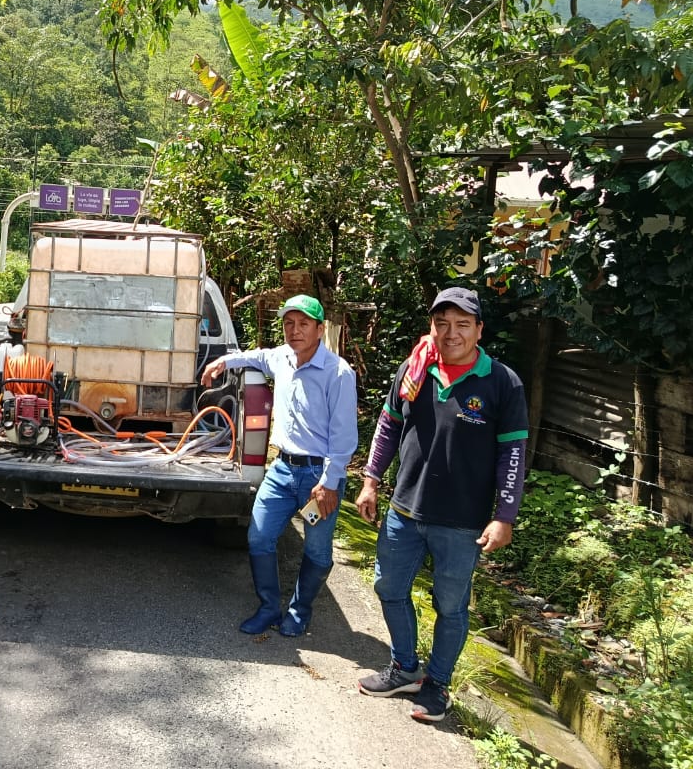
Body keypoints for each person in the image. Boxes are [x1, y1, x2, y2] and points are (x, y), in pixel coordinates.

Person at [355, 286, 529, 722]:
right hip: (405, 509)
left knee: (450, 605)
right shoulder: (414, 370)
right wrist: (371, 482)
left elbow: (512, 453)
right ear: (432, 326)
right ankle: (404, 668)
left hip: (462, 522)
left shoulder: (502, 382)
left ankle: (437, 684)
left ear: (479, 329)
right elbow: (388, 427)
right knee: (389, 588)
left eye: (462, 324)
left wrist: (504, 516)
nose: (451, 333)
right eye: (442, 323)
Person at [201, 294, 358, 637]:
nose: (295, 330)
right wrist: (223, 362)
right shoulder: (282, 358)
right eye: (289, 323)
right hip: (282, 470)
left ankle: (299, 613)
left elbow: (344, 437)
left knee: (317, 551)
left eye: (303, 324)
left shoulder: (338, 373)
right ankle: (269, 607)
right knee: (259, 537)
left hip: (319, 477)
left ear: (320, 329)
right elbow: (256, 356)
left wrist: (330, 483)